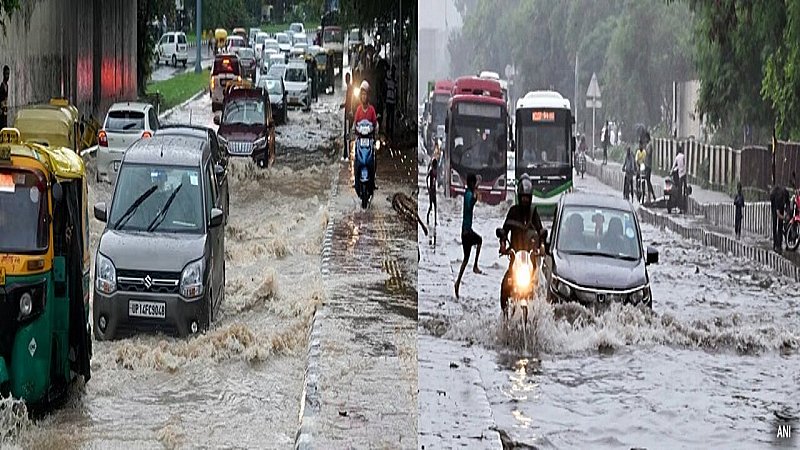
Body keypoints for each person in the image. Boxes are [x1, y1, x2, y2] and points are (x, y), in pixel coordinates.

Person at [498, 174, 545, 318]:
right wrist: (502, 243)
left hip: (530, 260)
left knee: (539, 288)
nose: (525, 200)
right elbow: (504, 230)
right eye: (523, 197)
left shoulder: (533, 212)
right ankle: (505, 317)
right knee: (505, 286)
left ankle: (539, 318)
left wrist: (542, 246)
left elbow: (540, 230)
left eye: (527, 197)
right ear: (519, 196)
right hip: (515, 258)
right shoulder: (513, 212)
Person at [455, 173, 482, 298]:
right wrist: (475, 198)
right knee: (480, 240)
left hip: (465, 231)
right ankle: (475, 266)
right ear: (471, 183)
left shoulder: (468, 193)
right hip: (466, 231)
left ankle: (457, 283)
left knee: (465, 260)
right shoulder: (468, 195)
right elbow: (469, 204)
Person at [770, 183, 791, 253]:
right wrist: (784, 218)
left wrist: (788, 214)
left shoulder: (786, 194)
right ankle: (775, 243)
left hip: (780, 204)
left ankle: (780, 242)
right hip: (774, 201)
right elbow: (778, 213)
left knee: (780, 224)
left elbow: (788, 205)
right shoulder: (778, 198)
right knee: (775, 222)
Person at [671, 146, 687, 213]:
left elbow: (674, 165)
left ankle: (679, 205)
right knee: (684, 186)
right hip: (684, 173)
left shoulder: (677, 157)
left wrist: (671, 171)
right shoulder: (683, 156)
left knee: (679, 190)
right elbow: (685, 164)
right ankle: (686, 193)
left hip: (680, 174)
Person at [343, 72, 354, 160]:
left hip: (348, 113)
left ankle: (347, 153)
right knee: (347, 132)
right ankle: (346, 152)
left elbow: (350, 101)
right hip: (348, 112)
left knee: (347, 133)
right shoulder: (349, 88)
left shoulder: (350, 88)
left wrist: (350, 110)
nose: (346, 80)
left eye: (347, 78)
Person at [643, 132, 656, 203]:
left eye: (645, 138)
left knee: (648, 180)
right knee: (647, 180)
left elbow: (649, 152)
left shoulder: (650, 145)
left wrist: (645, 150)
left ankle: (651, 196)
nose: (645, 139)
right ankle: (651, 196)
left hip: (649, 165)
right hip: (646, 165)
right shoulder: (647, 145)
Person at [385, 65, 397, 140]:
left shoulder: (391, 81)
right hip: (390, 101)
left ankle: (389, 131)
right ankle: (388, 131)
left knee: (390, 117)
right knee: (389, 116)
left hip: (391, 101)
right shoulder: (389, 81)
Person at [426, 158, 438, 226]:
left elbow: (435, 181)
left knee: (435, 206)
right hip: (431, 191)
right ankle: (427, 218)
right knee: (431, 206)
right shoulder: (431, 171)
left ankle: (435, 221)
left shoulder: (436, 172)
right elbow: (427, 178)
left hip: (434, 191)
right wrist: (428, 188)